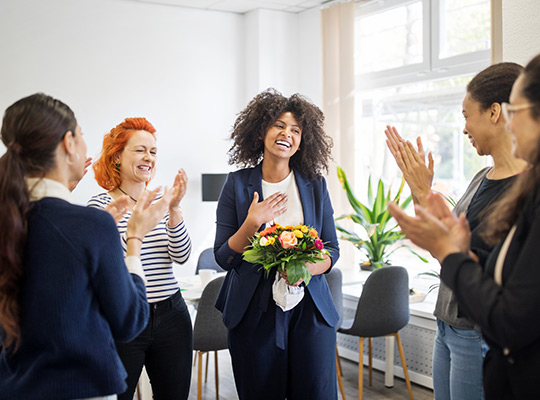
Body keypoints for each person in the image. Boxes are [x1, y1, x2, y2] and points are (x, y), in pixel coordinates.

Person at [0, 93, 173, 399]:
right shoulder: (91, 223)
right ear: (69, 143)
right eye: (81, 135)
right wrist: (134, 239)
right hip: (82, 387)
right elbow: (130, 321)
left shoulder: (14, 218)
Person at [388, 53, 540, 400]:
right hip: (450, 321)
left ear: (495, 112)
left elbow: (507, 286)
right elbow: (470, 250)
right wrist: (422, 193)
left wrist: (449, 249)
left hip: (478, 330)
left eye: (466, 115)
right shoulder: (480, 177)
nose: (463, 127)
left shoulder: (527, 189)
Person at [214, 89, 340, 400]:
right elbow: (224, 258)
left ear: (303, 140)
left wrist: (305, 268)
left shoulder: (315, 185)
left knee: (315, 393)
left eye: (296, 130)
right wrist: (252, 222)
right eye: (278, 125)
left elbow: (332, 250)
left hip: (310, 309)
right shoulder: (236, 184)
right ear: (260, 132)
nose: (287, 134)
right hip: (253, 312)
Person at [89, 117, 193, 400]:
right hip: (125, 319)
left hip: (172, 316)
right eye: (140, 150)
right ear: (117, 157)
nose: (149, 157)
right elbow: (102, 266)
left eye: (153, 151)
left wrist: (173, 210)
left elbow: (182, 256)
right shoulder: (101, 206)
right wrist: (136, 230)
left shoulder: (161, 203)